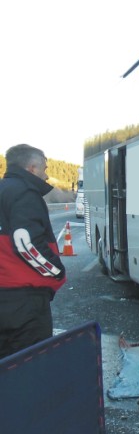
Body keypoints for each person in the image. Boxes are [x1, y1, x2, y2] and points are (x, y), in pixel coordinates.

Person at [0, 144, 66, 359]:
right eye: (45, 168)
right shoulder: (25, 193)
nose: (47, 176)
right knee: (30, 365)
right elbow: (26, 244)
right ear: (32, 168)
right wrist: (56, 272)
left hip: (5, 294)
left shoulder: (3, 189)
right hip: (25, 302)